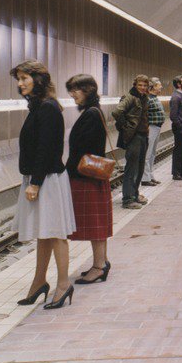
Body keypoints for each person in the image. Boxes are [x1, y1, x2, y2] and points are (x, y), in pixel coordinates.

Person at [10, 60, 76, 309]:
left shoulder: (47, 108)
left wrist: (35, 183)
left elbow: (47, 149)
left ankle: (62, 284)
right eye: (19, 79)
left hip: (47, 179)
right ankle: (39, 282)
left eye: (25, 78)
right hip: (41, 177)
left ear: (39, 80)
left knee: (56, 233)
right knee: (43, 233)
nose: (20, 83)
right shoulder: (38, 107)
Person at [65, 74, 114, 286]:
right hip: (91, 177)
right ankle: (101, 262)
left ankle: (99, 267)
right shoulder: (92, 112)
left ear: (88, 91)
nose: (72, 94)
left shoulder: (91, 114)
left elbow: (85, 149)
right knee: (97, 223)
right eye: (71, 90)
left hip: (87, 177)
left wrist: (67, 170)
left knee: (95, 225)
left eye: (76, 90)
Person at [111, 75, 151, 209]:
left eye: (145, 85)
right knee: (131, 168)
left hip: (143, 136)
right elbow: (117, 112)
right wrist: (126, 126)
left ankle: (134, 195)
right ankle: (127, 199)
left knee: (139, 168)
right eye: (140, 85)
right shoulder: (130, 97)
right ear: (135, 85)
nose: (143, 88)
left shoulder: (144, 98)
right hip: (134, 137)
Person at [140, 77, 165, 187]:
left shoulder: (155, 98)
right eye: (159, 85)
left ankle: (150, 176)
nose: (161, 87)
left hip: (157, 127)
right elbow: (143, 115)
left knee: (153, 154)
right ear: (154, 86)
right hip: (151, 128)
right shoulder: (148, 99)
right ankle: (145, 178)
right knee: (147, 154)